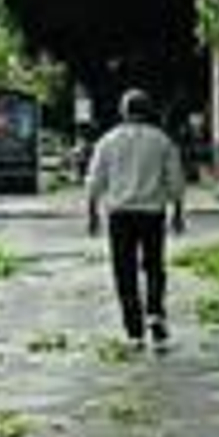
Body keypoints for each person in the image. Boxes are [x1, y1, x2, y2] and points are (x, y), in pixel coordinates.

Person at [85, 89, 186, 347]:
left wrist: (92, 213)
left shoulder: (108, 141)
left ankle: (134, 331)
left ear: (123, 111)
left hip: (120, 215)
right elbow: (175, 181)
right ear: (148, 110)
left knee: (124, 271)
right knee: (154, 266)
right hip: (152, 213)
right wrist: (178, 212)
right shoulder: (162, 141)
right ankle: (154, 313)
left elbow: (95, 181)